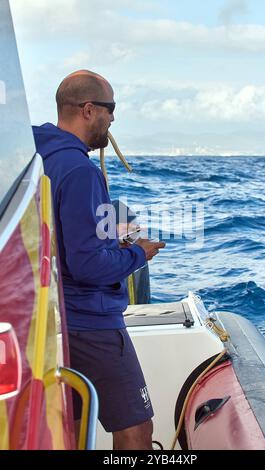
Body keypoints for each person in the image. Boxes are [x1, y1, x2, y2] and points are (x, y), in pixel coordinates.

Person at [32, 70, 165, 450]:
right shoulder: (80, 171)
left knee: (71, 427)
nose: (114, 119)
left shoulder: (38, 156)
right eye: (111, 109)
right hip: (93, 324)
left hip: (54, 324)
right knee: (136, 431)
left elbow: (60, 236)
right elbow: (87, 266)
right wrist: (138, 253)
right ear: (89, 109)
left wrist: (111, 237)